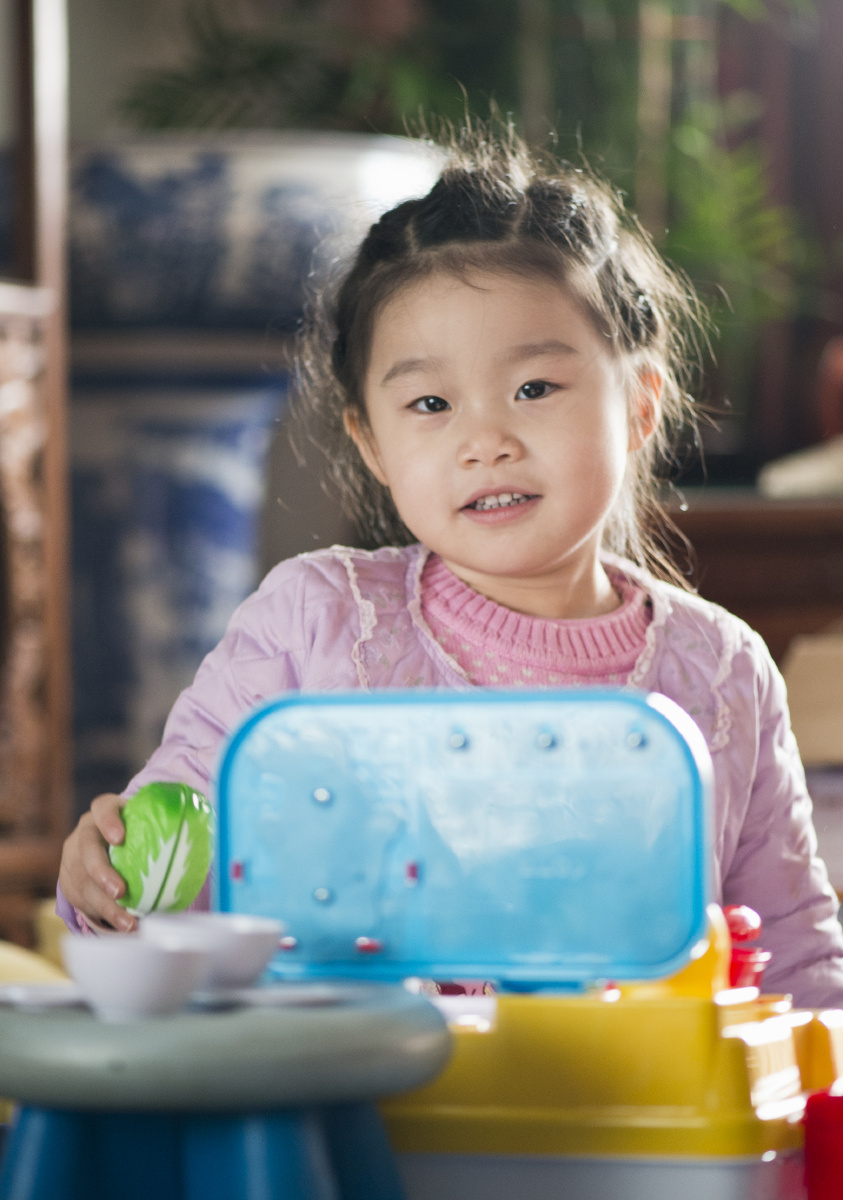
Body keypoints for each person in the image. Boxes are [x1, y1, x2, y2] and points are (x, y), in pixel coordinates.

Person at [57, 122, 843, 1006]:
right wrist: (110, 885)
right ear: (371, 442)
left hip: (626, 1094)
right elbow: (179, 860)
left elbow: (795, 957)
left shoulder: (724, 670)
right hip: (360, 1084)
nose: (485, 441)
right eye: (430, 403)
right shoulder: (314, 622)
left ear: (638, 404)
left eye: (533, 388)